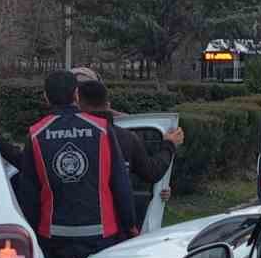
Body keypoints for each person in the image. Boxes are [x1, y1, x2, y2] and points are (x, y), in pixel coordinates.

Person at [13, 69, 137, 258]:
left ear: (46, 96)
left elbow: (29, 193)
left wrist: (31, 233)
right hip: (101, 235)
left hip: (53, 237)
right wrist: (130, 226)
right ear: (76, 95)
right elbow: (120, 183)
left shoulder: (35, 134)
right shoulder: (102, 129)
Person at [76, 78, 184, 225]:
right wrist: (169, 145)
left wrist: (163, 191)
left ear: (77, 103)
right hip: (114, 223)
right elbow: (152, 172)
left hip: (73, 223)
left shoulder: (61, 138)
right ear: (107, 104)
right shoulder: (126, 137)